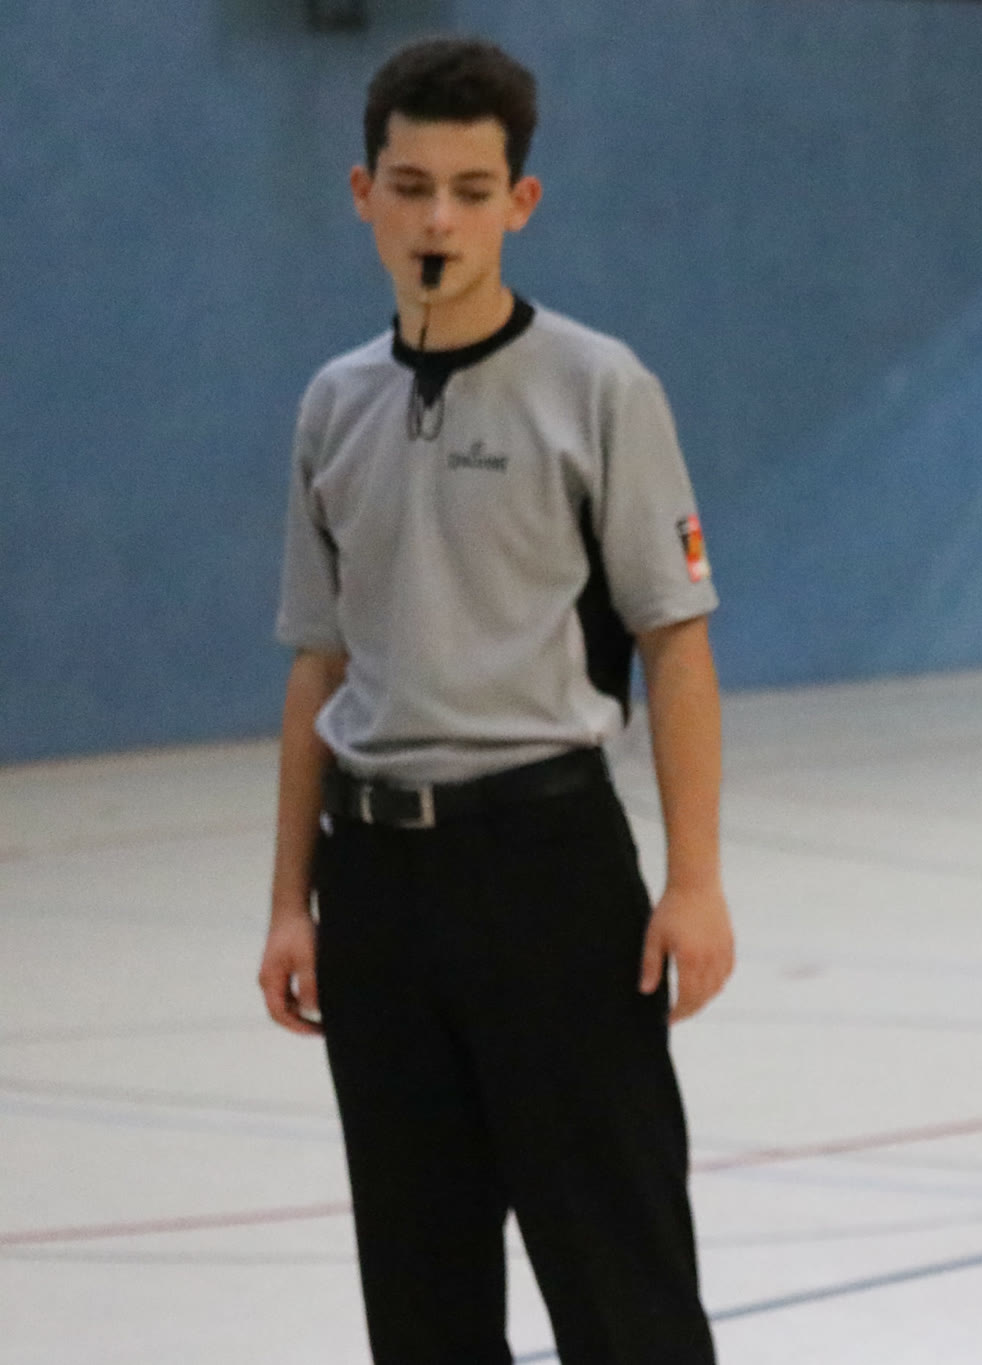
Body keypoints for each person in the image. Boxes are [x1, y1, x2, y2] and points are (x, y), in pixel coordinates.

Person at [257, 37, 727, 1365]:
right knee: (420, 1299)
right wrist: (290, 902)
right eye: (411, 188)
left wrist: (695, 882)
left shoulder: (600, 387)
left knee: (621, 1281)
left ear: (520, 203)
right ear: (365, 194)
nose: (438, 221)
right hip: (376, 889)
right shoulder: (333, 404)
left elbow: (675, 641)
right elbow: (317, 664)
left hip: (549, 871)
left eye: (471, 191)